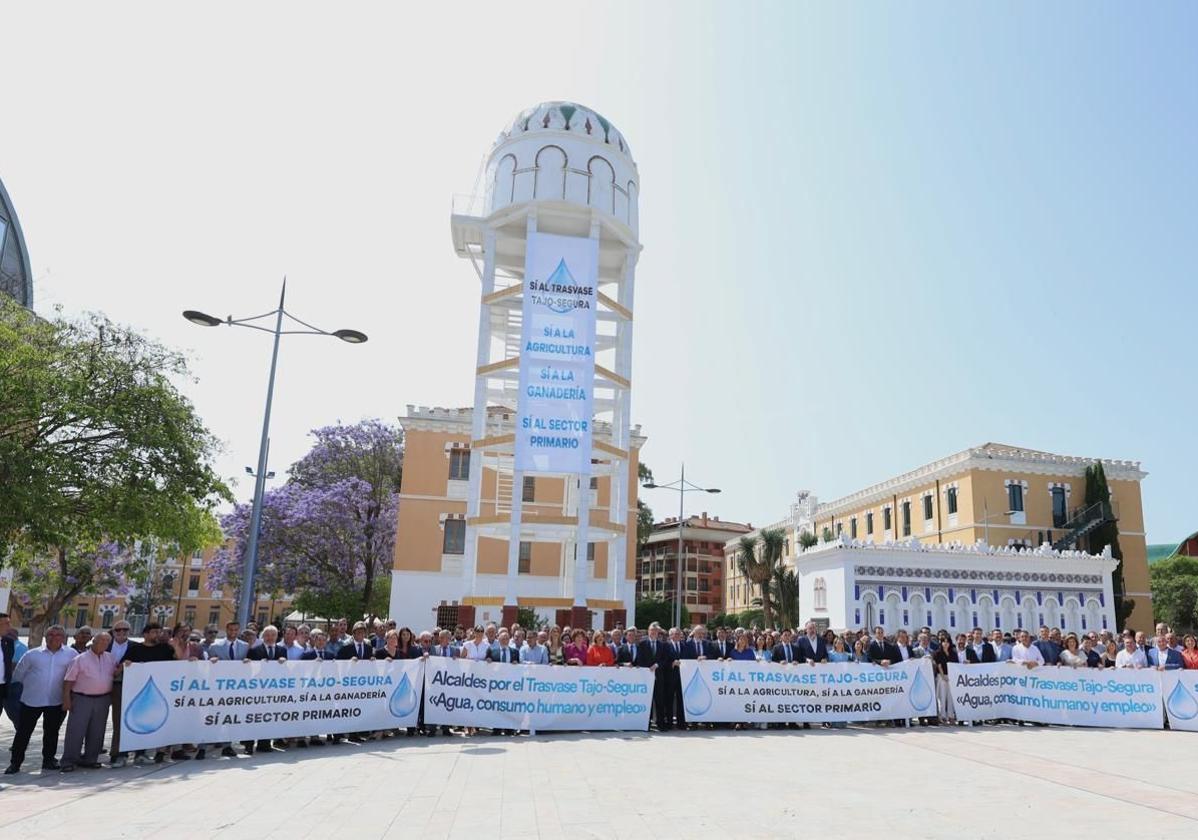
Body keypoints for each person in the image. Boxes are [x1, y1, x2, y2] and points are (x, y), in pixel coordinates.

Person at [6, 625, 77, 774]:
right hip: (31, 700)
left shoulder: (71, 654)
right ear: (45, 637)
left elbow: (75, 674)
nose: (54, 637)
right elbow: (19, 675)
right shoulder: (32, 654)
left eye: (58, 635)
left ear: (63, 638)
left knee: (51, 733)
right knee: (23, 733)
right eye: (50, 634)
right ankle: (15, 763)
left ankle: (48, 761)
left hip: (55, 701)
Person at [60, 630, 119, 772]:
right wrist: (66, 699)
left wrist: (124, 667)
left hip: (103, 699)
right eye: (101, 641)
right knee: (76, 731)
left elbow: (114, 674)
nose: (104, 644)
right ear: (93, 641)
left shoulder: (110, 658)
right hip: (82, 698)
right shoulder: (80, 659)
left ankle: (90, 759)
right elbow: (68, 681)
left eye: (107, 642)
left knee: (97, 731)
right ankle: (69, 760)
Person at [118, 623, 177, 765]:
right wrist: (126, 664)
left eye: (160, 632)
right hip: (137, 691)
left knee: (156, 720)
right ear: (145, 634)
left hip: (161, 692)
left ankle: (158, 752)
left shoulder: (166, 648)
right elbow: (122, 666)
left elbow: (178, 663)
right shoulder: (135, 649)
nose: (158, 635)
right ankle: (135, 753)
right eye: (155, 632)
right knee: (138, 720)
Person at [635, 623, 669, 731]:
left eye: (655, 631)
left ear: (658, 633)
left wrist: (657, 665)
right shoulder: (642, 644)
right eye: (651, 630)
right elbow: (639, 659)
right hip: (646, 677)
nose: (653, 633)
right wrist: (648, 667)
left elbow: (665, 659)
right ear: (648, 631)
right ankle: (647, 724)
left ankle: (660, 724)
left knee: (659, 701)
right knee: (647, 701)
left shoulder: (662, 645)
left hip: (659, 676)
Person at [931, 632, 958, 724]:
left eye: (947, 642)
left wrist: (951, 677)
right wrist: (943, 677)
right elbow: (939, 666)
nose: (945, 643)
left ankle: (950, 716)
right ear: (941, 643)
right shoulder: (937, 653)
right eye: (944, 642)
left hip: (951, 677)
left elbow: (955, 665)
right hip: (942, 677)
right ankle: (942, 716)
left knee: (950, 698)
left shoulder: (953, 653)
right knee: (942, 698)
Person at [0, 614, 16, 726]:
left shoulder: (8, 642)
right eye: (6, 623)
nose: (9, 626)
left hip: (2, 687)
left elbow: (8, 663)